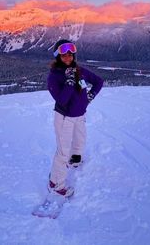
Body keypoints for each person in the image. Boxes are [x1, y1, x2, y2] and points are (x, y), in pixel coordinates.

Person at [47, 39, 104, 197]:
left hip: (80, 115)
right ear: (58, 56)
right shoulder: (54, 76)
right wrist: (70, 82)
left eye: (70, 54)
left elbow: (99, 82)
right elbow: (62, 100)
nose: (68, 57)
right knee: (63, 151)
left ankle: (75, 160)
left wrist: (90, 97)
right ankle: (55, 183)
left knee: (80, 141)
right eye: (64, 55)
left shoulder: (79, 70)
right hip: (64, 118)